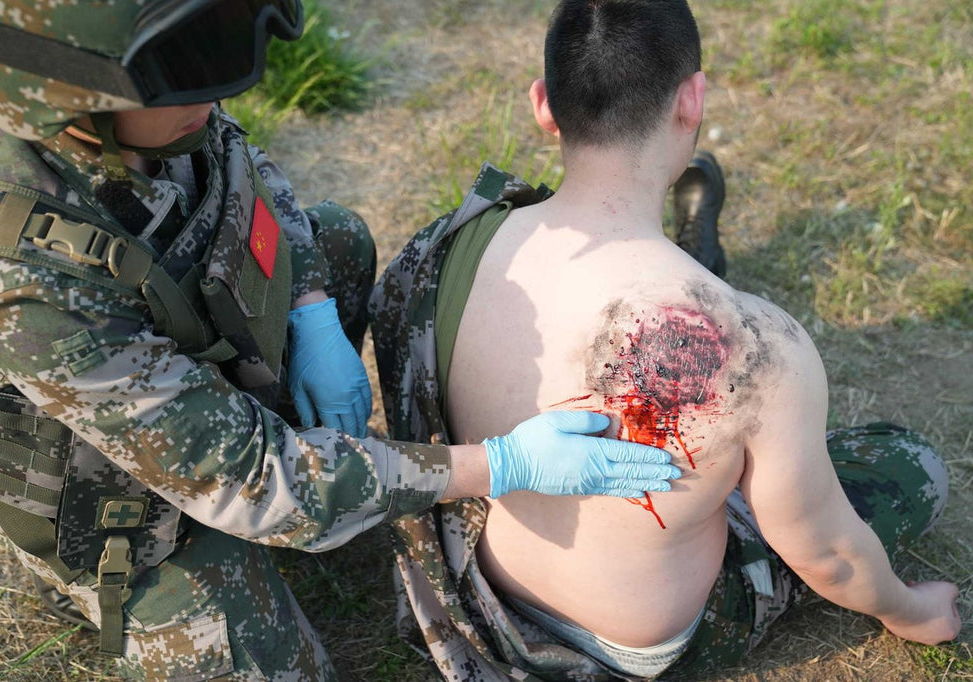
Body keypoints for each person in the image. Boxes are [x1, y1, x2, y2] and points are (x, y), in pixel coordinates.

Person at [0, 2, 682, 679]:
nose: (213, 94)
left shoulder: (154, 93)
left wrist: (311, 311)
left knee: (334, 242)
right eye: (185, 82)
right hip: (127, 510)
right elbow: (252, 478)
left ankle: (327, 473)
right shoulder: (22, 282)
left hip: (194, 383)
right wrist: (501, 465)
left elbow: (245, 169)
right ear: (67, 96)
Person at [368, 1, 961, 679]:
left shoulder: (448, 246)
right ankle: (694, 275)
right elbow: (827, 553)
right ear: (691, 100)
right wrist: (909, 610)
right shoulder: (762, 348)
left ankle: (692, 272)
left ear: (544, 105)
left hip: (466, 588)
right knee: (908, 463)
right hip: (618, 652)